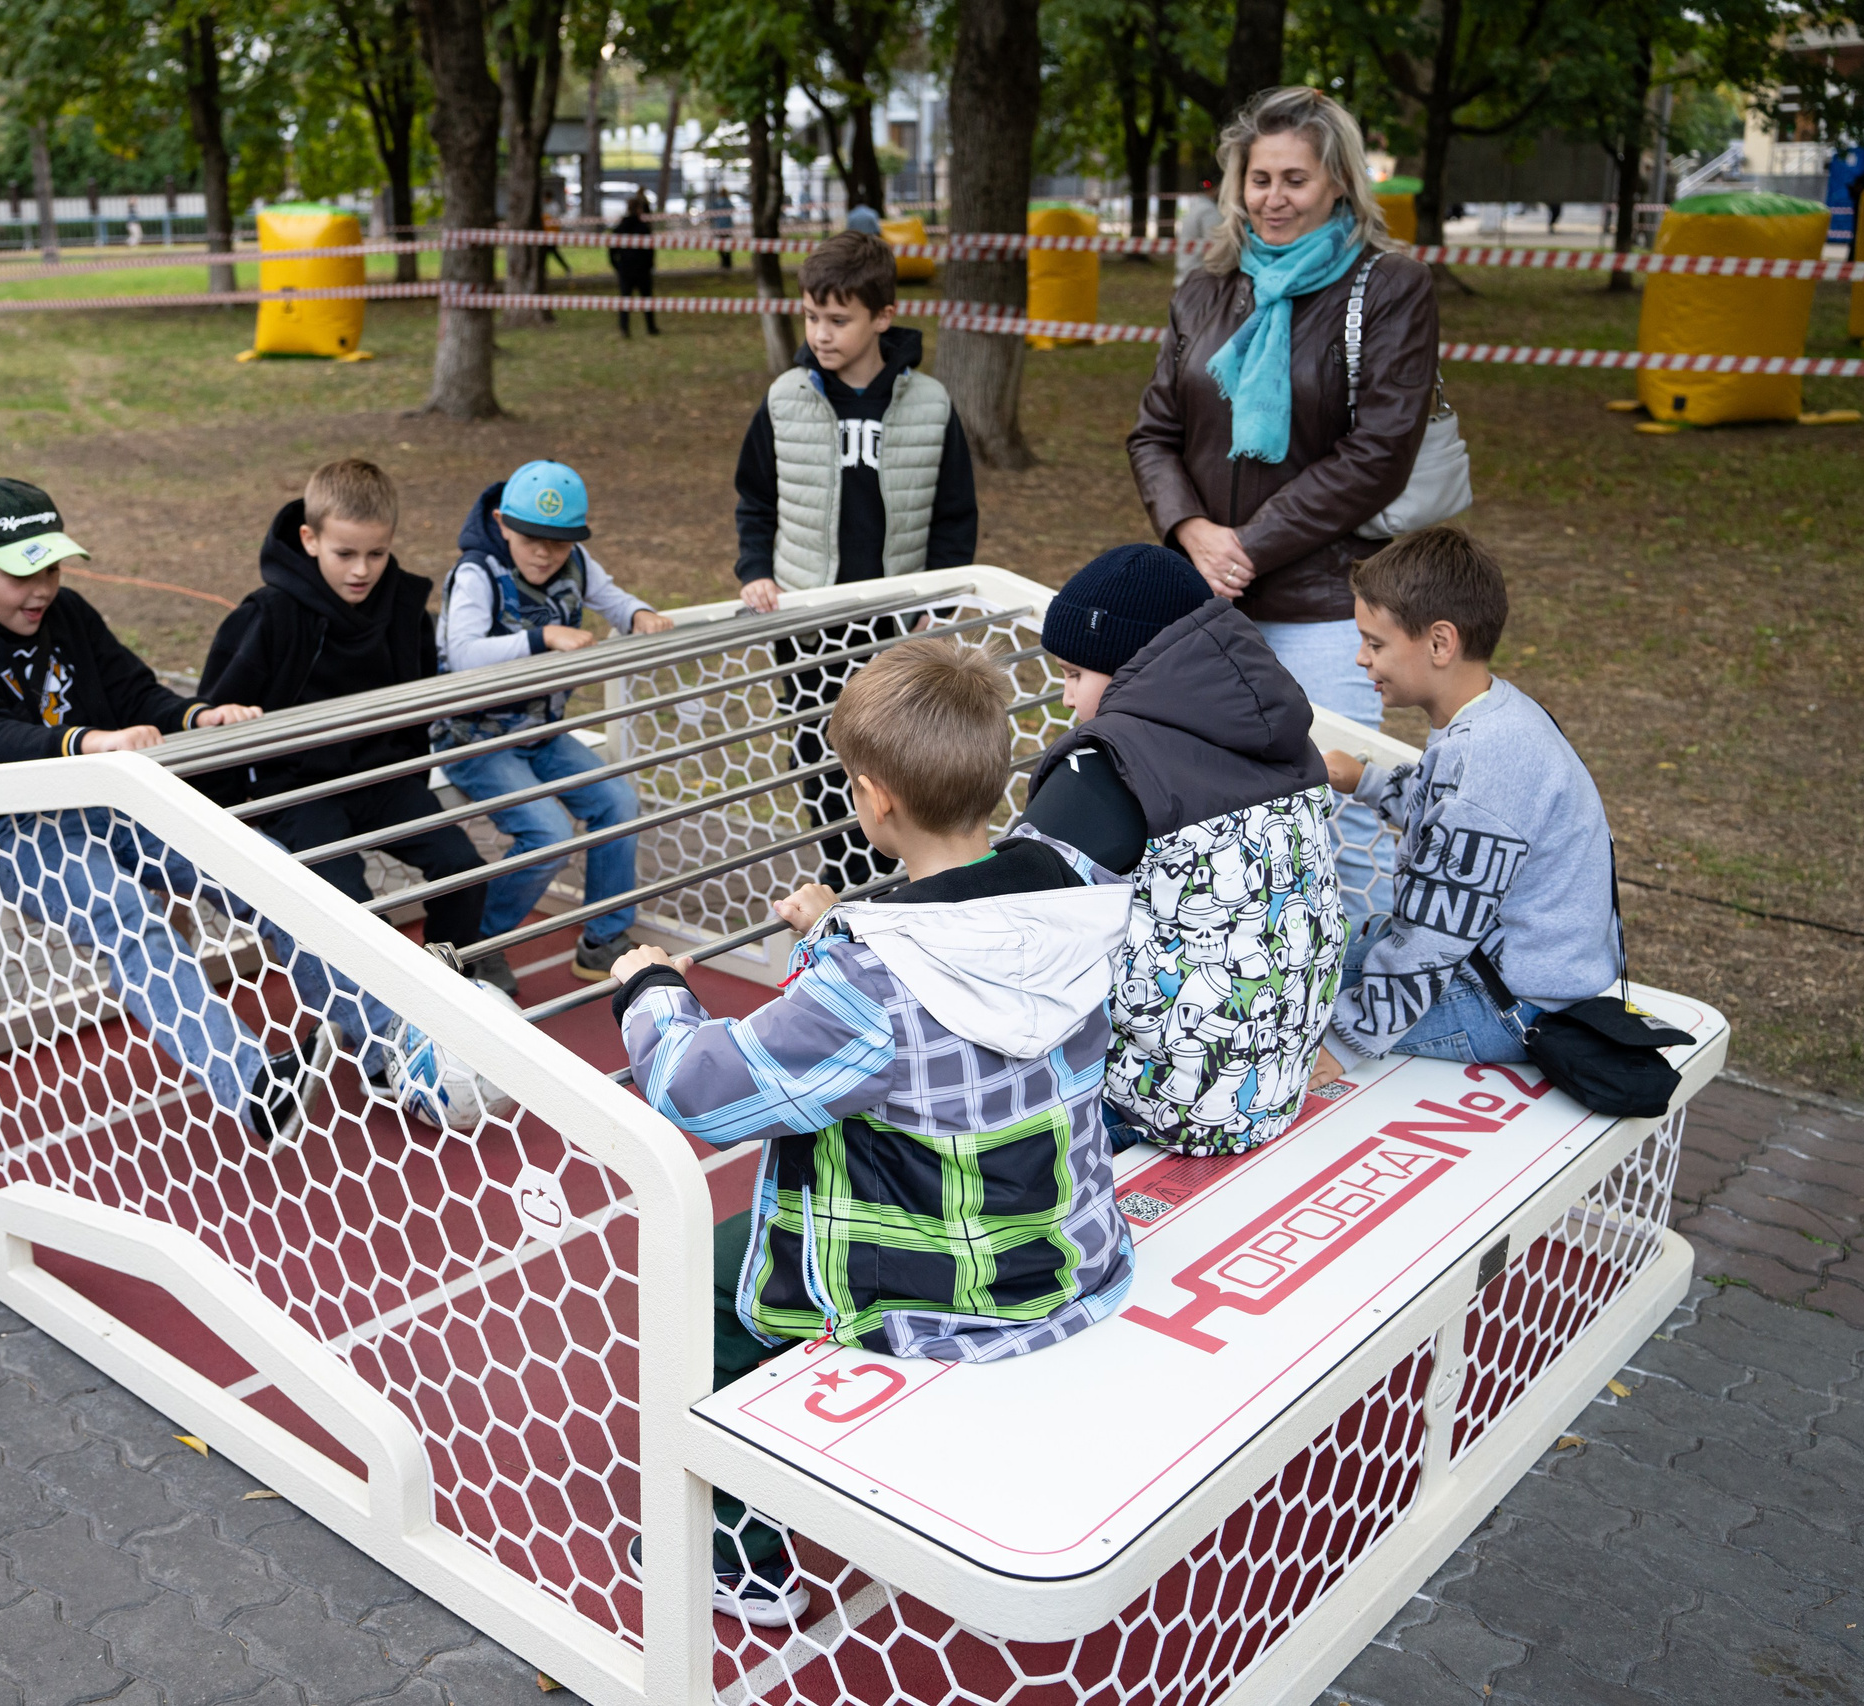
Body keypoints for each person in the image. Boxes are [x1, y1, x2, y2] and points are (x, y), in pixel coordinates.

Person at [614, 638, 1137, 1626]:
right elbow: (945, 947)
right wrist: (835, 930)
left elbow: (697, 1088)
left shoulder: (870, 983)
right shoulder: (1071, 882)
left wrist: (650, 990)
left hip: (944, 1292)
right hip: (1065, 1252)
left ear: (873, 796)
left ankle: (734, 1543)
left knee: (706, 1275)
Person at [0, 477, 335, 1147]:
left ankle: (384, 1035)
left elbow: (135, 689)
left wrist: (198, 715)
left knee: (261, 869)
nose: (43, 587)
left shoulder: (68, 613)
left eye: (50, 565)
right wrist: (87, 741)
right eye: (23, 574)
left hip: (107, 800)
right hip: (8, 829)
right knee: (130, 917)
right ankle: (251, 1084)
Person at [1126, 85, 1437, 922]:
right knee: (1210, 814)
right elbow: (1153, 435)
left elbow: (1378, 453)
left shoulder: (1390, 286)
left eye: (1294, 179)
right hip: (1203, 602)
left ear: (1339, 182)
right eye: (1258, 179)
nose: (1273, 198)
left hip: (1323, 606)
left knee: (1334, 820)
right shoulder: (1205, 290)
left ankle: (1358, 1015)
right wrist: (1192, 532)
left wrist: (1249, 547)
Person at [1015, 544, 1348, 1156]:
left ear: (1128, 665)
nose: (1065, 699)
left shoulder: (1110, 765)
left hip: (1155, 1102)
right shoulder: (1280, 738)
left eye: (1073, 674)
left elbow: (1005, 917)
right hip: (1272, 1083)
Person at [1307, 528, 1619, 1088]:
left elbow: (1435, 930)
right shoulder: (1493, 714)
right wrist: (1365, 780)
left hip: (1511, 1005)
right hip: (1497, 969)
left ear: (1440, 643)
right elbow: (1443, 815)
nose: (1361, 659)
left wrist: (1345, 1040)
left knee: (1282, 1019)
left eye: (1375, 644)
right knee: (1300, 965)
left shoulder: (1489, 759)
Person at [195, 460, 504, 989]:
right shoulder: (267, 615)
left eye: (376, 554)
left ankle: (451, 990)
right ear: (309, 539)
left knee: (463, 869)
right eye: (345, 554)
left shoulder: (406, 609)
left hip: (380, 779)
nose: (361, 570)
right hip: (297, 790)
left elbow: (416, 701)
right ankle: (381, 1021)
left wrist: (405, 774)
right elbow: (217, 712)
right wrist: (227, 812)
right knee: (353, 913)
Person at [733, 228, 977, 893]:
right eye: (812, 316)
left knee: (893, 764)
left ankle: (893, 886)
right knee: (819, 758)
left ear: (883, 317)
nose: (821, 332)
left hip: (891, 627)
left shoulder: (929, 404)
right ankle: (839, 885)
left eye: (838, 319)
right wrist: (755, 569)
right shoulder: (786, 399)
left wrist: (936, 609)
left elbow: (955, 518)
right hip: (809, 622)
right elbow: (755, 497)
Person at [435, 461, 675, 984]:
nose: (544, 553)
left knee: (618, 802)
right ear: (502, 523)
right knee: (546, 834)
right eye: (530, 538)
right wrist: (542, 638)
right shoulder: (477, 573)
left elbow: (613, 599)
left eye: (559, 542)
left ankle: (603, 938)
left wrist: (637, 615)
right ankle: (478, 942)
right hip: (476, 737)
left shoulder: (577, 562)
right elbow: (462, 655)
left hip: (541, 733)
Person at [609, 190, 658, 338]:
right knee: (646, 300)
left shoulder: (619, 228)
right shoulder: (643, 228)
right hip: (641, 270)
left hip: (626, 269)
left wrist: (617, 266)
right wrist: (649, 265)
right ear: (638, 209)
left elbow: (612, 251)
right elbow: (650, 250)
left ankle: (624, 328)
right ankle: (650, 327)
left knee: (625, 300)